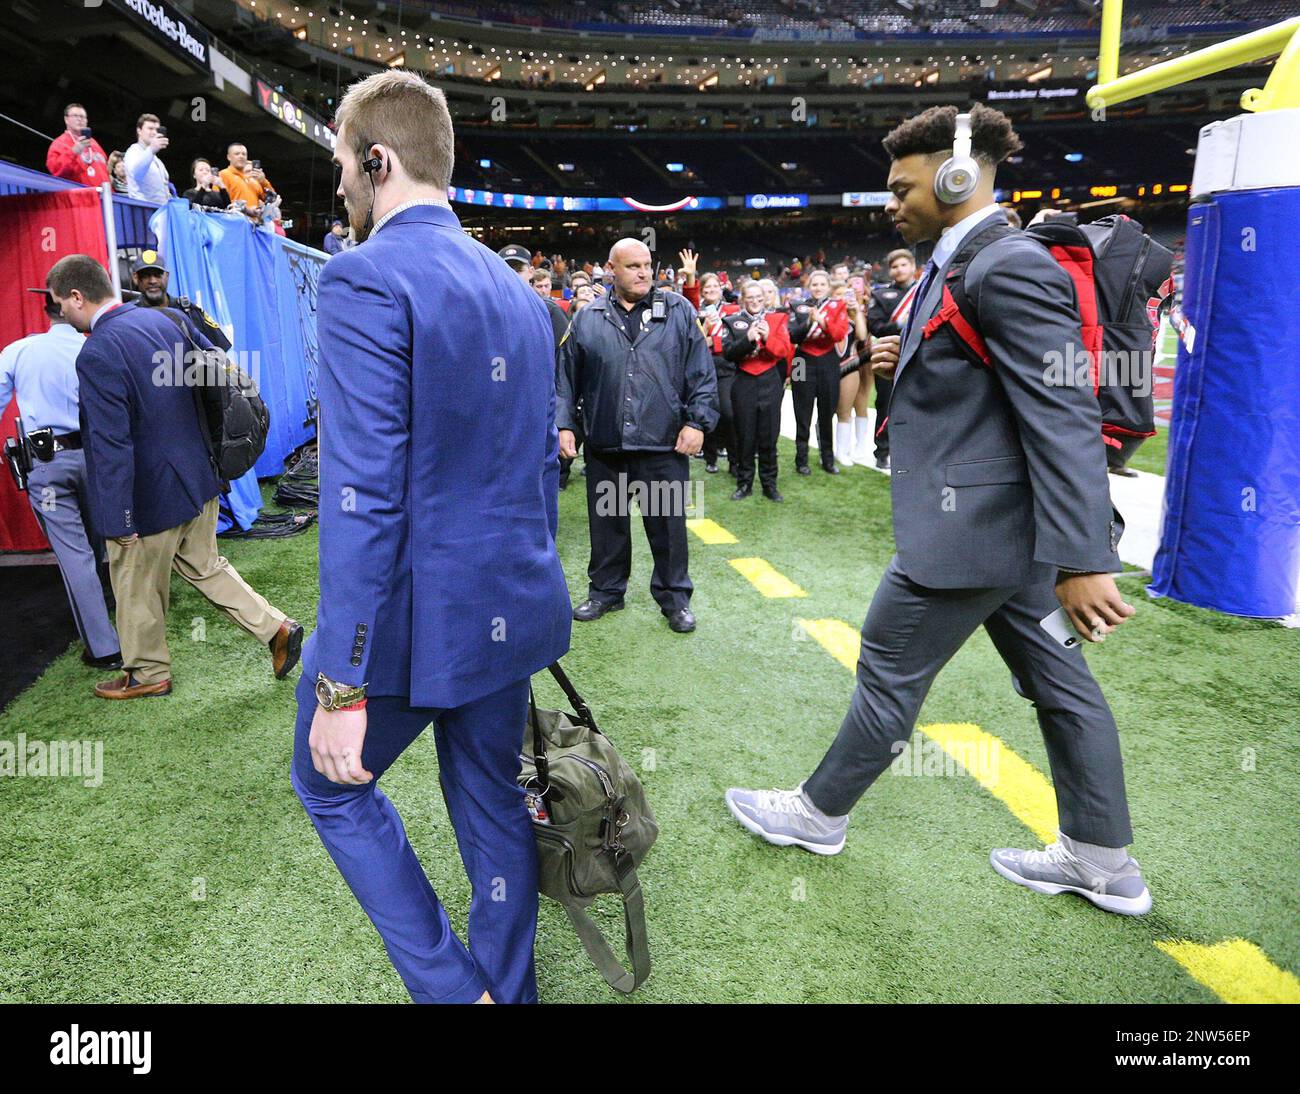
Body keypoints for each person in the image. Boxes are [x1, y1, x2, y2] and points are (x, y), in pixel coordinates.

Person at [726, 104, 1149, 918]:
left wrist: (1086, 556)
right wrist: (892, 364)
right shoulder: (958, 261)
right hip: (1011, 538)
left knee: (887, 666)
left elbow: (1060, 411)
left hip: (976, 535)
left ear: (959, 176)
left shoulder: (1006, 264)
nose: (889, 203)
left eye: (902, 186)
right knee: (1061, 683)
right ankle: (1104, 861)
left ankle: (818, 815)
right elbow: (974, 386)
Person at [295, 70, 571, 1005]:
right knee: (493, 807)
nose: (337, 185)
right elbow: (541, 469)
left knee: (330, 786)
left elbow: (360, 500)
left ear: (378, 160)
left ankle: (459, 996)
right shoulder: (523, 293)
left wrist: (341, 678)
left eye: (341, 164)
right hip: (510, 608)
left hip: (413, 627)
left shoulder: (363, 275)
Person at [46, 254, 302, 700]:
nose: (60, 314)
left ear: (76, 296)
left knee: (134, 584)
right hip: (198, 482)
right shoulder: (164, 322)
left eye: (59, 304)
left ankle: (147, 675)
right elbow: (208, 396)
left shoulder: (98, 351)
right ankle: (277, 628)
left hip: (150, 498)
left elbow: (110, 445)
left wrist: (118, 518)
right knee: (207, 567)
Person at [557, 238, 718, 633]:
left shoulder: (679, 310)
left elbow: (702, 372)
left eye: (648, 265)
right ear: (611, 270)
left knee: (667, 527)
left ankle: (674, 599)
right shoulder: (588, 316)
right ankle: (607, 591)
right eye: (633, 266)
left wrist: (697, 422)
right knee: (607, 525)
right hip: (606, 445)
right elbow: (565, 380)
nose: (645, 272)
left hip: (662, 444)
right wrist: (564, 426)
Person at [0, 288, 120, 669]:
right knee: (108, 546)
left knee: (75, 557)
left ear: (47, 311)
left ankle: (105, 648)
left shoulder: (20, 350)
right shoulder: (95, 346)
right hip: (96, 459)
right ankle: (131, 629)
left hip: (48, 465)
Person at [721, 279, 794, 502]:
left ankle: (769, 484)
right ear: (743, 299)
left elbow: (783, 351)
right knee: (745, 434)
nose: (754, 301)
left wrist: (767, 337)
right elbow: (728, 353)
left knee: (769, 435)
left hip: (770, 380)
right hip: (744, 381)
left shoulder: (777, 318)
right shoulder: (733, 320)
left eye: (759, 297)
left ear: (765, 299)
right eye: (750, 297)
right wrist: (748, 339)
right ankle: (744, 483)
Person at [860, 248, 921, 471]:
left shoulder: (925, 292)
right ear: (890, 271)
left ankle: (915, 449)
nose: (899, 269)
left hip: (918, 357)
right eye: (895, 266)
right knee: (885, 405)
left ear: (913, 267)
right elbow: (874, 325)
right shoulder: (880, 295)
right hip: (889, 357)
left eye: (904, 265)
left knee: (919, 404)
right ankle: (882, 450)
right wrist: (898, 325)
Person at [790, 270, 849, 476]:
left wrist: (822, 321)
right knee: (801, 411)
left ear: (828, 287)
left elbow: (838, 334)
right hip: (800, 360)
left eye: (822, 284)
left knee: (827, 411)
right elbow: (792, 336)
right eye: (814, 284)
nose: (818, 288)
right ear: (809, 287)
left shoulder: (838, 305)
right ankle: (801, 459)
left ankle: (827, 458)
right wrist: (808, 322)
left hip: (828, 360)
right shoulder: (797, 306)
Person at [127, 250, 231, 351]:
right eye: (146, 276)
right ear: (136, 278)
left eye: (157, 275)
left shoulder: (188, 310)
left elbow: (219, 349)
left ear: (166, 276)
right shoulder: (130, 316)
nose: (152, 281)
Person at [45, 103, 109, 187]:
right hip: (77, 197)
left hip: (102, 196)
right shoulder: (59, 144)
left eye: (82, 116)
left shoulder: (94, 144)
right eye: (75, 116)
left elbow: (105, 173)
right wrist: (73, 152)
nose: (79, 119)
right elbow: (56, 171)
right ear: (66, 119)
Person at [122, 114, 170, 204]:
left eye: (157, 129)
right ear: (139, 131)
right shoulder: (133, 151)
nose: (154, 132)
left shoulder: (156, 159)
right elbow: (136, 173)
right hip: (142, 209)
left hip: (159, 209)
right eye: (150, 128)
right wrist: (151, 149)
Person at [220, 144, 276, 212]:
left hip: (253, 221)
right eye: (237, 154)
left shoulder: (253, 180)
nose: (241, 156)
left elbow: (272, 200)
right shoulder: (223, 175)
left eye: (244, 154)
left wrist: (263, 182)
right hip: (233, 220)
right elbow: (217, 202)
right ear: (229, 157)